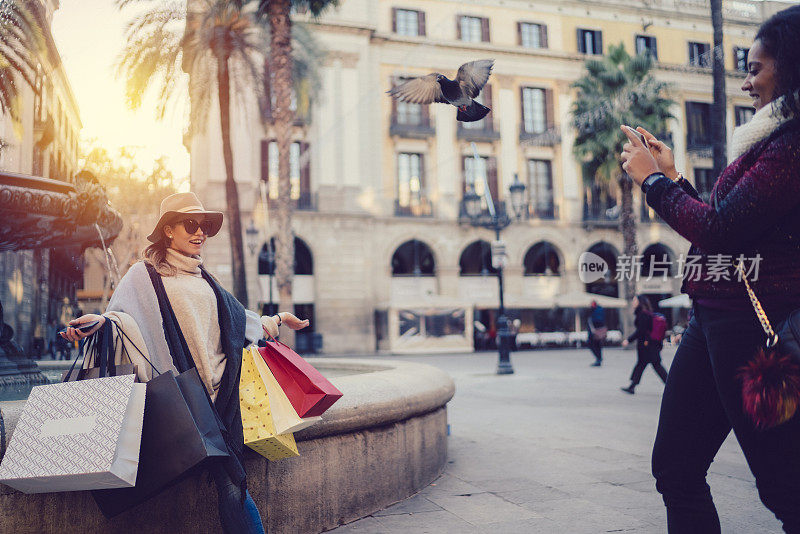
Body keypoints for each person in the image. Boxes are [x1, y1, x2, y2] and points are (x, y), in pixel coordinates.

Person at [619, 6, 800, 530]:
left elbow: (721, 232)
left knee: (785, 488)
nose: (747, 82)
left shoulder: (791, 145)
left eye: (756, 68)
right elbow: (723, 227)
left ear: (790, 67)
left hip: (754, 333)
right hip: (712, 319)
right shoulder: (769, 137)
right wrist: (673, 176)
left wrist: (653, 184)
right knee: (675, 467)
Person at [61, 192, 309, 533]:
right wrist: (98, 323)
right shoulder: (143, 275)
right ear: (167, 231)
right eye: (190, 224)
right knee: (233, 482)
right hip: (185, 399)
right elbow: (120, 318)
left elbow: (240, 321)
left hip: (223, 400)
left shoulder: (205, 278)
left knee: (233, 483)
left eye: (204, 226)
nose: (200, 232)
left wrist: (279, 318)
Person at [620, 295, 668, 393]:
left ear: (640, 302)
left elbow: (641, 331)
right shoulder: (644, 313)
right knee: (643, 364)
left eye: (635, 300)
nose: (633, 302)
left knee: (655, 365)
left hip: (648, 345)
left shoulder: (643, 314)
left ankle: (671, 385)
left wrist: (628, 340)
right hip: (649, 344)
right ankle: (632, 386)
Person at [586, 300, 606, 366]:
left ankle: (598, 358)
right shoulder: (600, 310)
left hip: (595, 331)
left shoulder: (594, 311)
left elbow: (594, 321)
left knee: (593, 344)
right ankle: (599, 358)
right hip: (599, 330)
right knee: (597, 345)